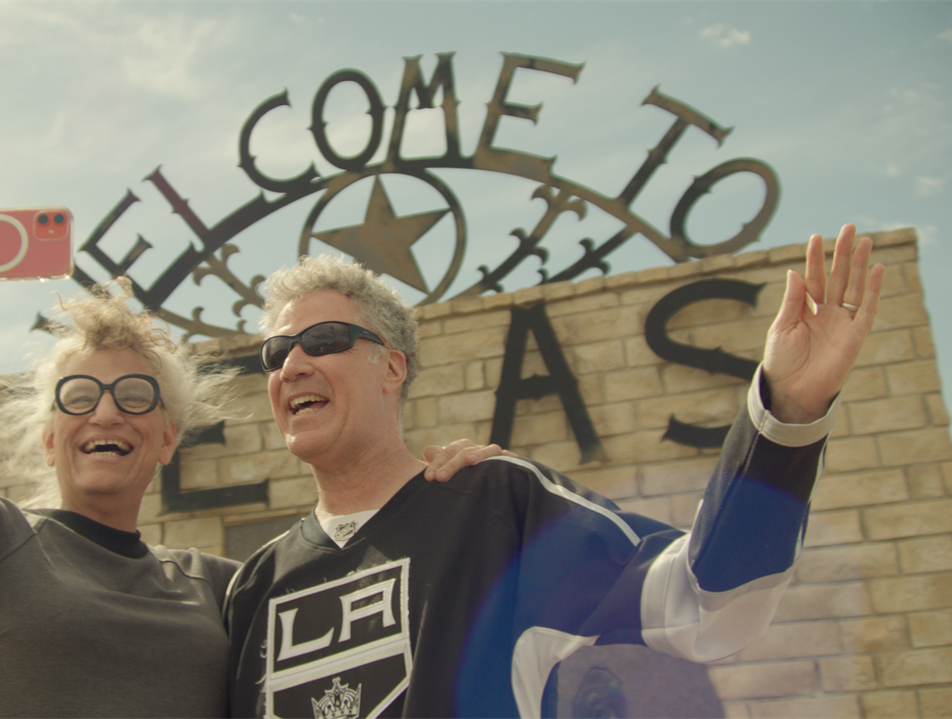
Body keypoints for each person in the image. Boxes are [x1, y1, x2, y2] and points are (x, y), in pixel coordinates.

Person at [0, 198, 496, 717]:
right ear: (51, 435)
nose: (106, 412)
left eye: (134, 395)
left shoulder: (229, 587)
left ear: (168, 437)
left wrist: (453, 483)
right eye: (80, 395)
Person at [224, 225, 884, 718]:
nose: (293, 365)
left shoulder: (500, 510)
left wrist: (786, 413)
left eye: (325, 341)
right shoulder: (255, 585)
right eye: (276, 352)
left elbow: (705, 602)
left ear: (392, 367)